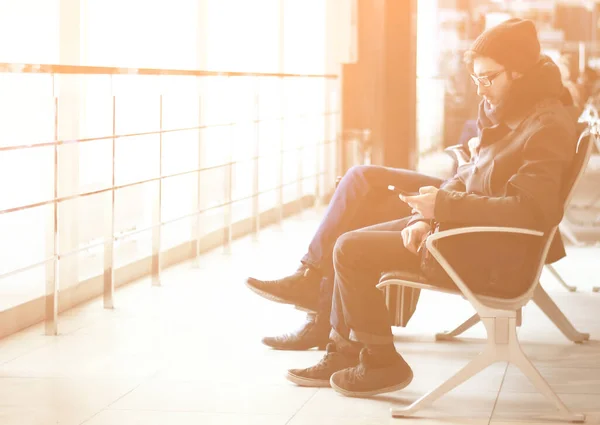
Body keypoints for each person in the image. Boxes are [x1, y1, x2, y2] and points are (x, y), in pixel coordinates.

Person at [282, 18, 578, 396]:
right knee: (351, 238)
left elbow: (529, 211)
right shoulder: (515, 111)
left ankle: (379, 361)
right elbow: (470, 172)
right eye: (476, 80)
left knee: (351, 250)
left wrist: (444, 207)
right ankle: (347, 352)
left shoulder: (544, 125)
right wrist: (430, 215)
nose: (481, 89)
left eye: (488, 78)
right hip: (466, 232)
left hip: (491, 254)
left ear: (519, 73)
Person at [246, 167, 445, 350]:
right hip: (462, 180)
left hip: (462, 190)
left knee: (358, 181)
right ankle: (316, 306)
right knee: (357, 195)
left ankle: (312, 290)